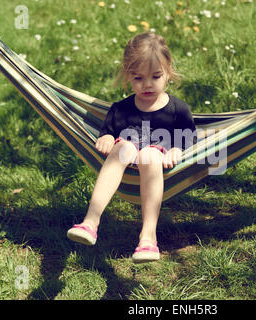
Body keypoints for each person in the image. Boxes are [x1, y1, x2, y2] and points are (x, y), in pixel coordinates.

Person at [67, 32, 196, 263]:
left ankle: (148, 237)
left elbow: (189, 138)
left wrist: (177, 149)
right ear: (128, 76)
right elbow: (107, 132)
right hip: (126, 162)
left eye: (156, 76)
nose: (147, 85)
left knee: (149, 154)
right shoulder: (120, 110)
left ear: (168, 72)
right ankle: (90, 222)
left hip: (155, 165)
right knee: (123, 147)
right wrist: (106, 137)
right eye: (138, 79)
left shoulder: (178, 110)